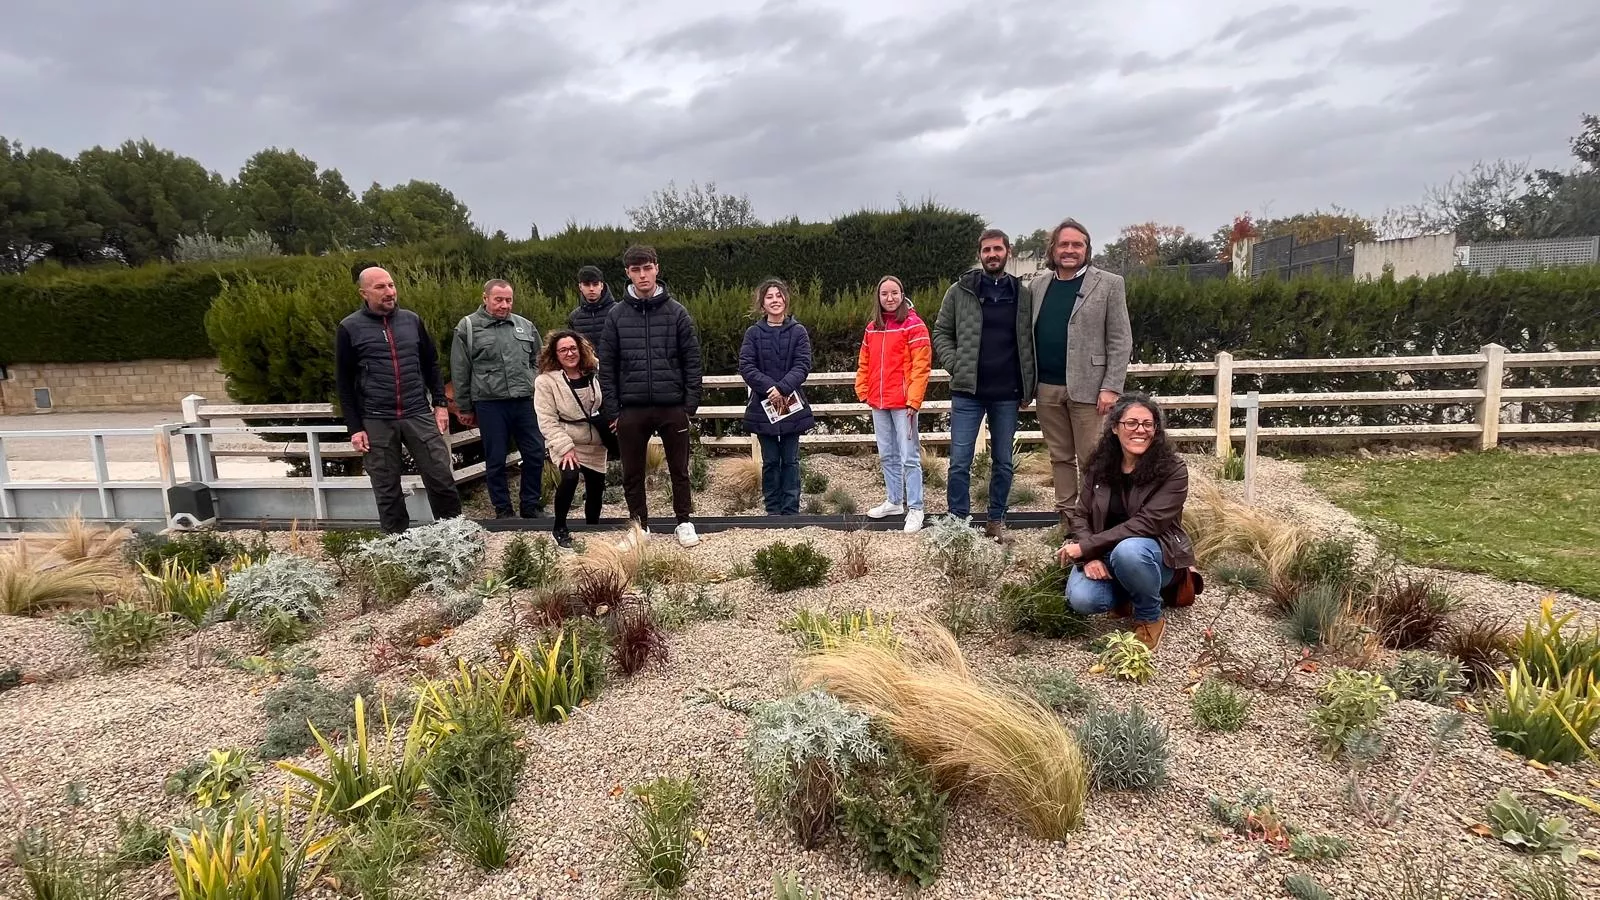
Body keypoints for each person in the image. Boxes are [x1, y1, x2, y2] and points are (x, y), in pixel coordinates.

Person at [1057, 393, 1196, 651]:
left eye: (1147, 424)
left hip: (1155, 555)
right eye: (1131, 423)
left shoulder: (1173, 470)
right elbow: (1081, 515)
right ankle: (1135, 589)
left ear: (1156, 429)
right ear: (1115, 427)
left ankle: (1150, 617)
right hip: (1105, 552)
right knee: (1083, 599)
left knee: (1128, 551)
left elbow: (1147, 524)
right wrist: (1090, 557)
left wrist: (1086, 547)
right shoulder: (1099, 466)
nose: (1140, 430)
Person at [334, 264, 462, 534]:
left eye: (391, 285)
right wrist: (355, 428)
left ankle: (454, 536)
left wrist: (440, 404)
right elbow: (344, 382)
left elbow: (431, 364)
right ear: (364, 293)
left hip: (417, 412)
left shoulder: (411, 321)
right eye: (380, 287)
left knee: (441, 476)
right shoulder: (349, 327)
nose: (389, 291)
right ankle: (396, 543)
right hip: (376, 418)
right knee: (386, 487)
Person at [932, 228, 1037, 542]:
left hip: (1007, 393)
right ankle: (958, 524)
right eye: (987, 250)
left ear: (1008, 252)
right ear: (980, 254)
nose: (992, 255)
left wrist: (1028, 384)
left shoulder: (1023, 294)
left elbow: (1029, 341)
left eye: (998, 249)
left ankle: (996, 521)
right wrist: (955, 365)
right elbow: (941, 333)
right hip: (968, 393)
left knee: (1003, 462)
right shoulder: (959, 291)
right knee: (959, 463)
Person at [599, 244, 705, 547]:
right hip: (631, 409)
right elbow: (607, 366)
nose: (643, 275)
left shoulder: (677, 312)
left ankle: (684, 522)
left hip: (672, 406)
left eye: (647, 268)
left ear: (657, 268)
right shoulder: (616, 316)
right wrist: (613, 411)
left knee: (679, 469)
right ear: (628, 273)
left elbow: (692, 360)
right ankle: (639, 528)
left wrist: (689, 405)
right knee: (631, 472)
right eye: (636, 269)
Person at [1030, 218, 1132, 528]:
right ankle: (1066, 517)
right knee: (1059, 456)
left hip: (1091, 389)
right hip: (1046, 388)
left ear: (1087, 249)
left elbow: (1120, 339)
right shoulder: (1038, 286)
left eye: (1077, 244)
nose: (1070, 250)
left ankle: (1094, 519)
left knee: (1092, 458)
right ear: (1053, 249)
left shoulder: (1110, 284)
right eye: (1064, 244)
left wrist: (1111, 387)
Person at [450, 279, 545, 519]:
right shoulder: (468, 327)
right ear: (485, 298)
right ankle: (503, 510)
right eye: (498, 300)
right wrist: (464, 407)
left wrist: (534, 383)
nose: (504, 305)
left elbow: (539, 361)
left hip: (524, 402)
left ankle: (531, 506)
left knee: (535, 453)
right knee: (496, 458)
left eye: (508, 300)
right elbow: (460, 369)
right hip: (490, 404)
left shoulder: (525, 326)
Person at [856, 275, 931, 533]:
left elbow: (921, 366)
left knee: (909, 456)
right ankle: (894, 501)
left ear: (902, 294)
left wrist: (914, 399)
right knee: (887, 454)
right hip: (879, 402)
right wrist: (863, 390)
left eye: (894, 293)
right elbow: (864, 361)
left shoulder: (914, 325)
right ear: (878, 297)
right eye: (884, 293)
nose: (890, 298)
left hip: (903, 404)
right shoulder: (872, 328)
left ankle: (916, 507)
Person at [738, 278, 815, 516]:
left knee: (790, 460)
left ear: (785, 300)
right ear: (762, 303)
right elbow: (746, 366)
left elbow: (802, 365)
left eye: (778, 296)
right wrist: (769, 388)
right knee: (770, 460)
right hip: (763, 407)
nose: (775, 300)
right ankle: (772, 509)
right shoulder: (753, 334)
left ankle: (791, 510)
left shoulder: (798, 332)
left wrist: (782, 388)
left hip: (792, 406)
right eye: (769, 297)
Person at [533, 331, 612, 549]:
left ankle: (592, 526)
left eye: (573, 348)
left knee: (596, 487)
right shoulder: (546, 382)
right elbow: (547, 419)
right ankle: (559, 527)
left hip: (593, 439)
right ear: (555, 354)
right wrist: (565, 447)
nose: (569, 353)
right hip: (565, 437)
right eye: (563, 350)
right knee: (570, 477)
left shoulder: (593, 373)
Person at [568, 265, 616, 357]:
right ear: (580, 287)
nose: (591, 289)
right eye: (587, 285)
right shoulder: (574, 317)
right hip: (586, 364)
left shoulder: (617, 312)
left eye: (595, 284)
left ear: (602, 286)